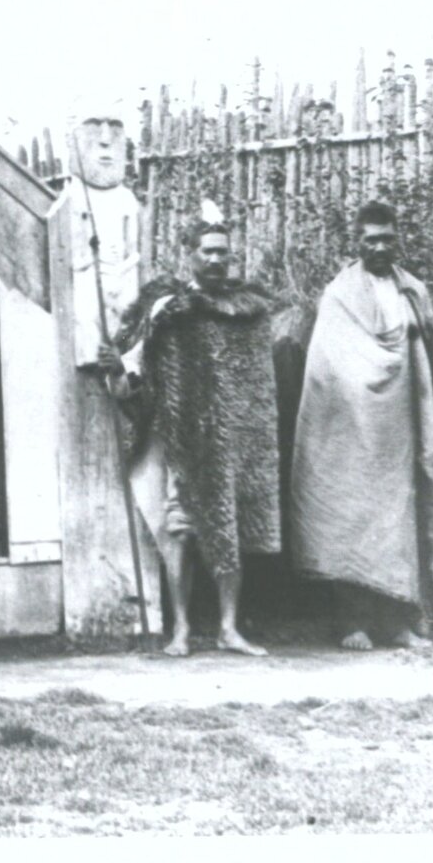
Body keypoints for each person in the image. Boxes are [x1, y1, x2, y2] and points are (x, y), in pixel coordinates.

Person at [291, 201, 433, 650]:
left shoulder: (412, 291)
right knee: (351, 516)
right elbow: (329, 366)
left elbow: (426, 353)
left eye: (387, 238)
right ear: (357, 242)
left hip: (398, 427)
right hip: (348, 427)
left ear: (397, 239)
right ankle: (352, 623)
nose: (380, 246)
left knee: (396, 518)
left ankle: (397, 622)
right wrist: (362, 396)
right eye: (371, 239)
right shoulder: (340, 295)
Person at [106, 218, 281, 657]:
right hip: (184, 439)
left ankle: (228, 628)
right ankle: (181, 629)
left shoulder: (246, 311)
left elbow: (257, 380)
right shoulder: (167, 309)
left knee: (231, 529)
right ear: (190, 254)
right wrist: (120, 373)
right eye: (208, 251)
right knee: (181, 530)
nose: (217, 259)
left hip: (235, 443)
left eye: (223, 251)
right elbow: (135, 367)